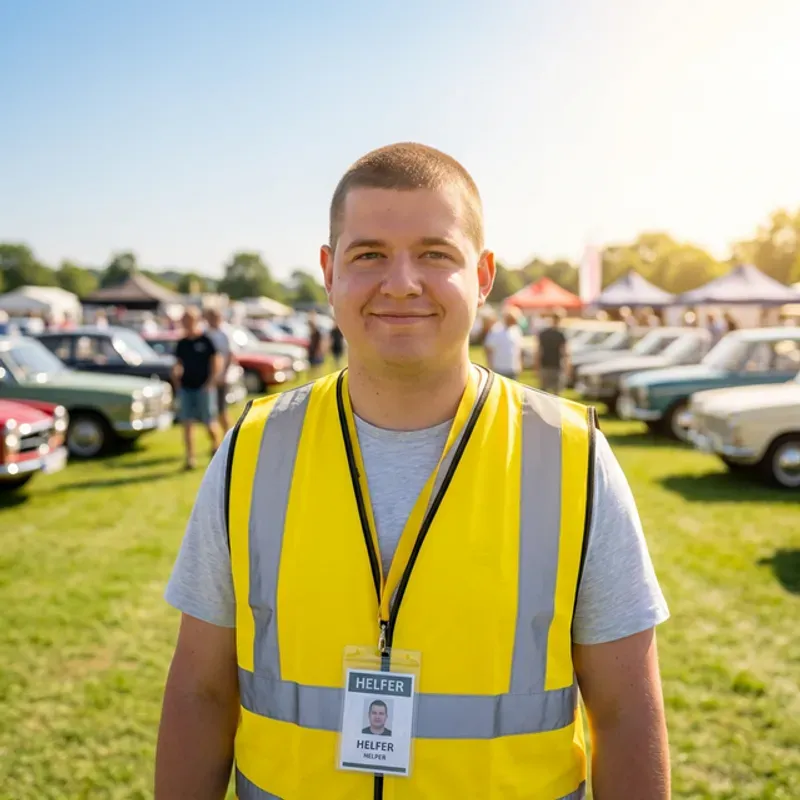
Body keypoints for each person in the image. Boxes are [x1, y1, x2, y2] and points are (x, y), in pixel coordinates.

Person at [156, 143, 670, 800]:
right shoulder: (252, 449)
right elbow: (200, 690)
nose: (400, 282)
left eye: (435, 253)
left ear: (483, 274)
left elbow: (626, 712)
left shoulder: (571, 456)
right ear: (328, 270)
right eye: (368, 254)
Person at [173, 308, 223, 470]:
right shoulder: (182, 343)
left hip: (204, 387)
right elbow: (178, 364)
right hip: (187, 388)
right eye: (184, 321)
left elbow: (216, 361)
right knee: (187, 423)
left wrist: (211, 382)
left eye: (189, 321)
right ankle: (190, 458)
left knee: (209, 422)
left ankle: (217, 448)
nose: (187, 324)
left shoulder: (206, 340)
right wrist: (177, 381)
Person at [203, 308, 235, 431]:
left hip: (221, 377)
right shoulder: (206, 333)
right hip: (208, 376)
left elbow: (230, 355)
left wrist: (223, 375)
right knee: (211, 411)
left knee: (222, 410)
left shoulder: (225, 333)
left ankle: (229, 436)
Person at [483, 307, 523, 379]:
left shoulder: (516, 330)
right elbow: (488, 348)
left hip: (513, 368)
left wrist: (519, 364)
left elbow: (517, 349)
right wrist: (490, 365)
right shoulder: (496, 330)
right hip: (499, 369)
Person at [536, 312, 568, 395]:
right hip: (555, 366)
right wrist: (567, 367)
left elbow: (538, 351)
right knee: (556, 394)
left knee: (544, 392)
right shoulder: (561, 334)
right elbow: (565, 352)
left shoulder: (543, 333)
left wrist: (537, 366)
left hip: (547, 365)